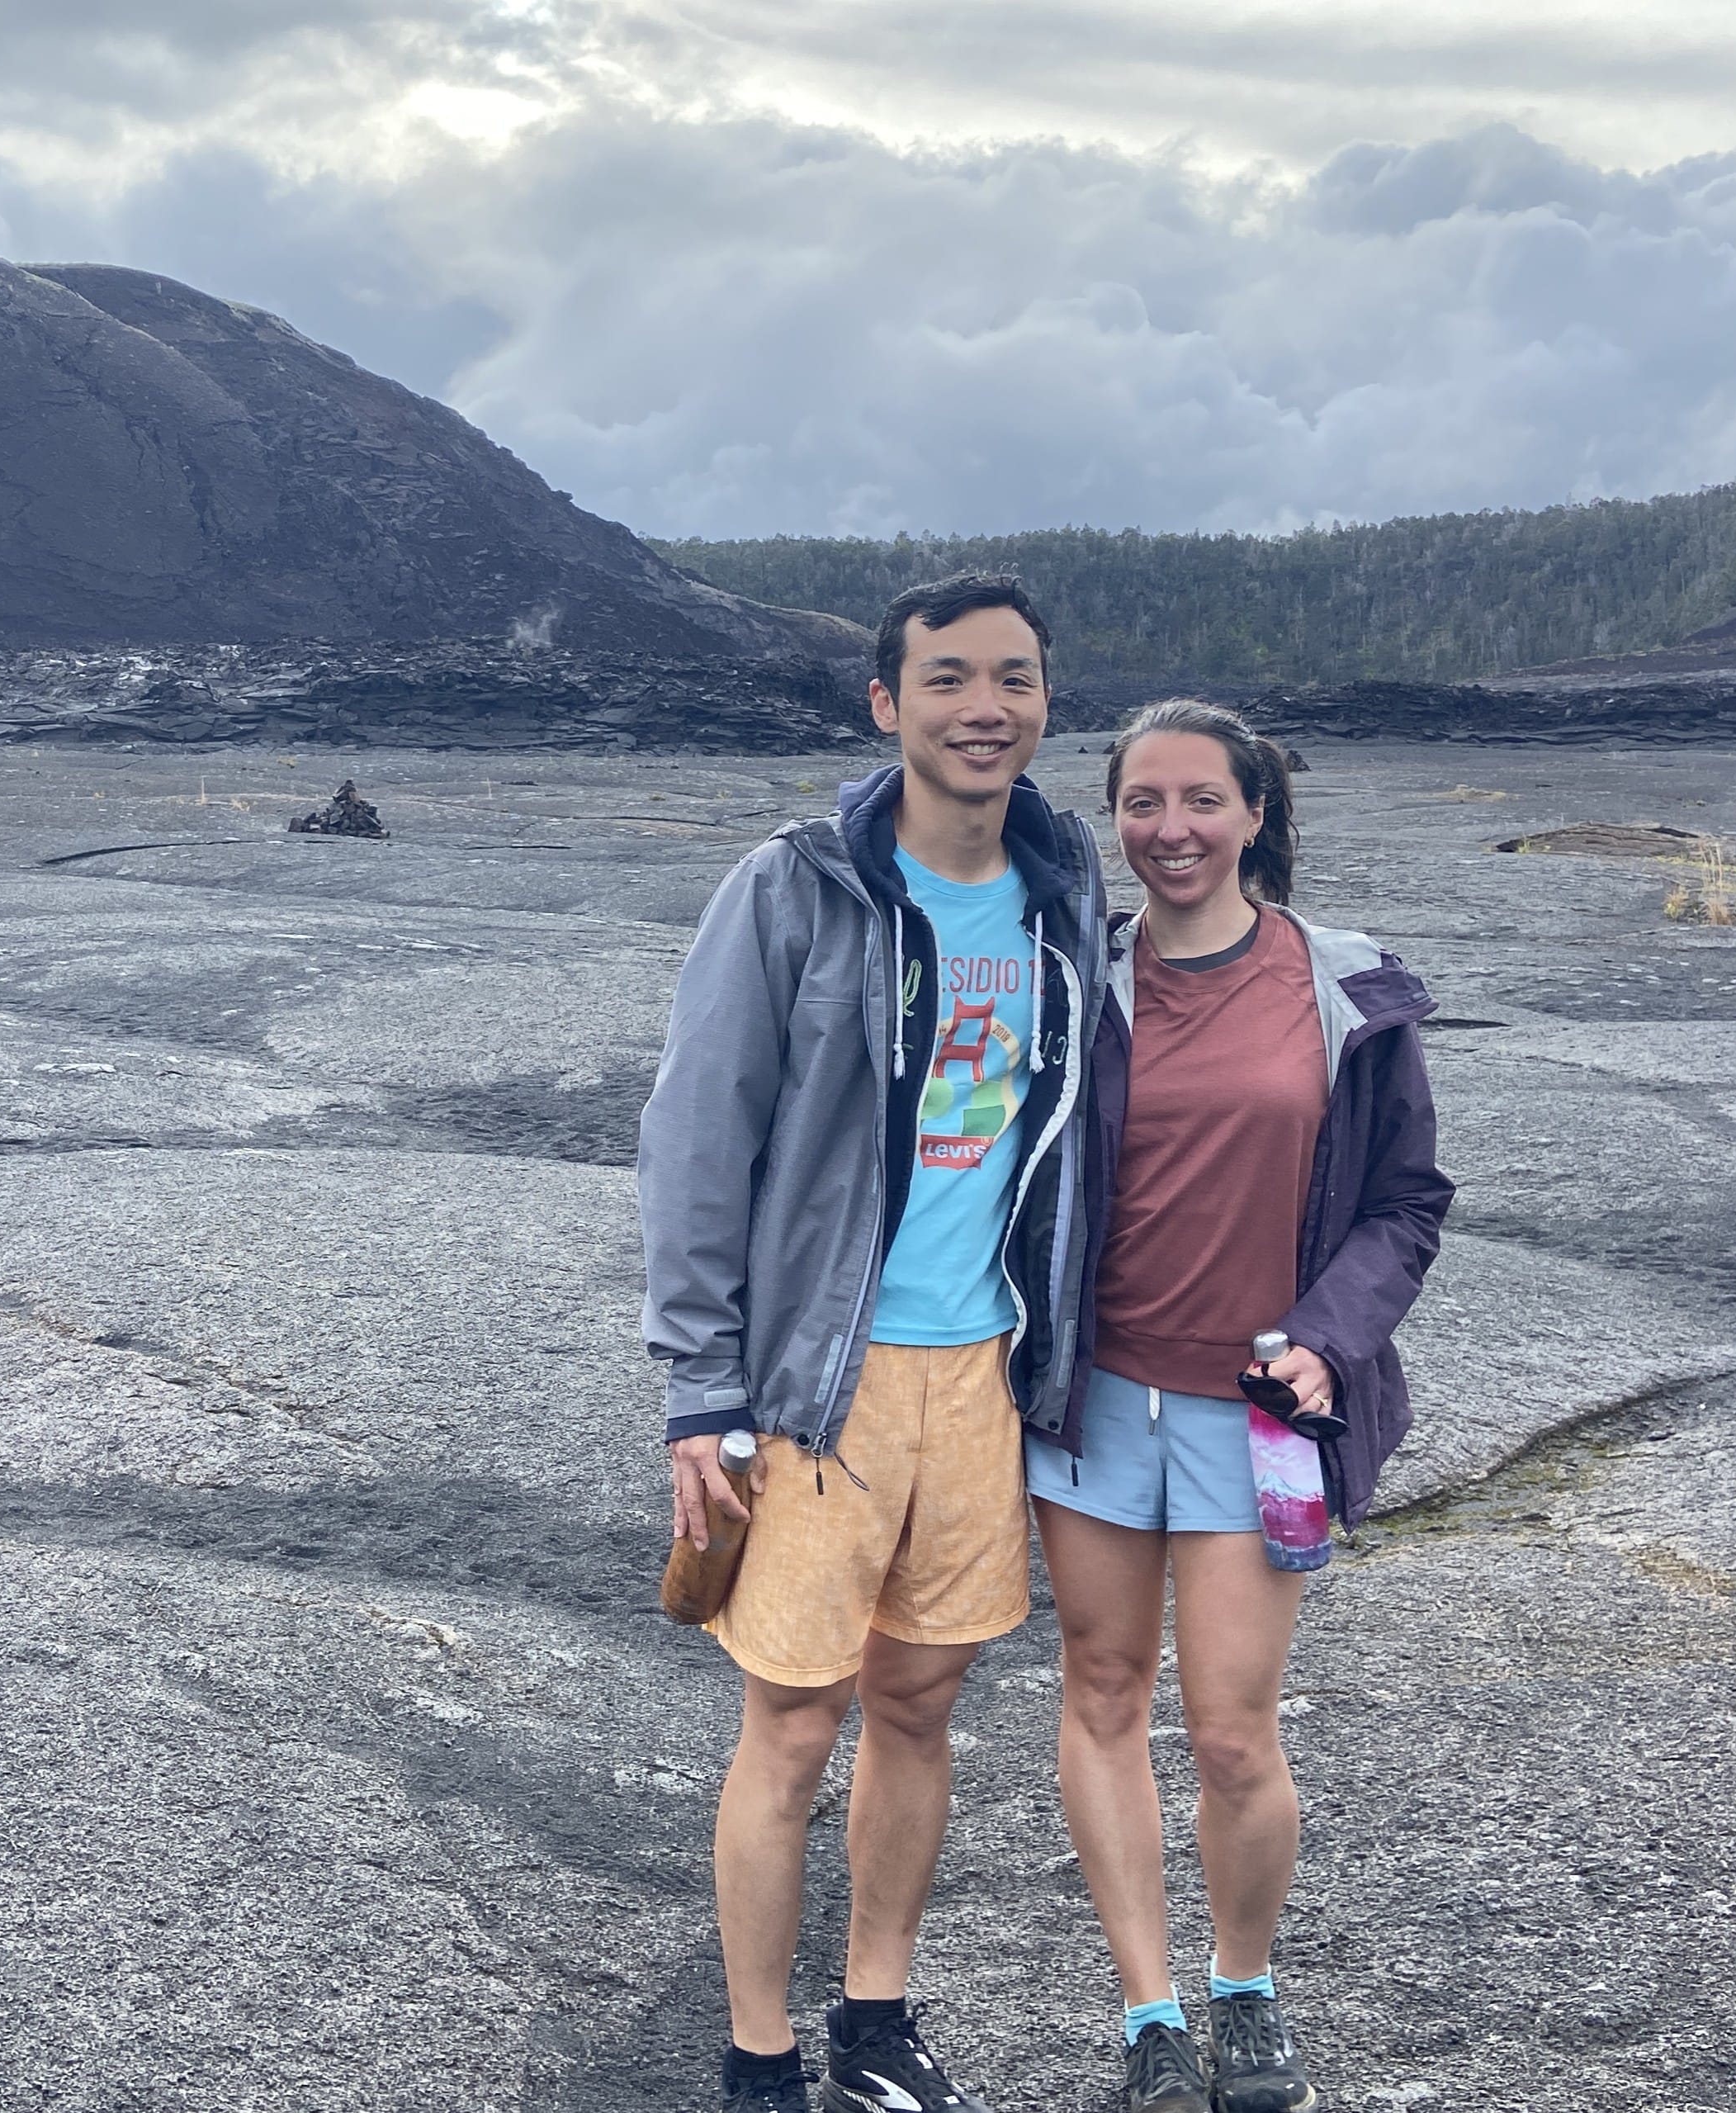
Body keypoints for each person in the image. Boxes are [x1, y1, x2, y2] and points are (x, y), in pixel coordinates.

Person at [638, 573, 1106, 2113]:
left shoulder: (1059, 893)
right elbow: (700, 1137)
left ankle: (877, 2022)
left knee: (919, 1705)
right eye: (952, 678)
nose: (989, 708)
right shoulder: (797, 885)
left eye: (1017, 680)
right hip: (814, 1390)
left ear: (1046, 703)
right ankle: (760, 2056)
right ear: (885, 705)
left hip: (979, 1374)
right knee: (793, 1719)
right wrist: (702, 1392)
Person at [1023, 700, 1454, 2113]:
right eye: (1141, 804)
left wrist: (1333, 1340)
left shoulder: (1343, 989)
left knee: (1228, 1731)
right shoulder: (1076, 979)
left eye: (1202, 800)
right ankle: (1149, 2013)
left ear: (1256, 811)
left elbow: (1404, 1203)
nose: (1172, 831)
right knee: (1101, 1692)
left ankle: (1246, 1989)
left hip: (1255, 1413)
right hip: (1092, 1408)